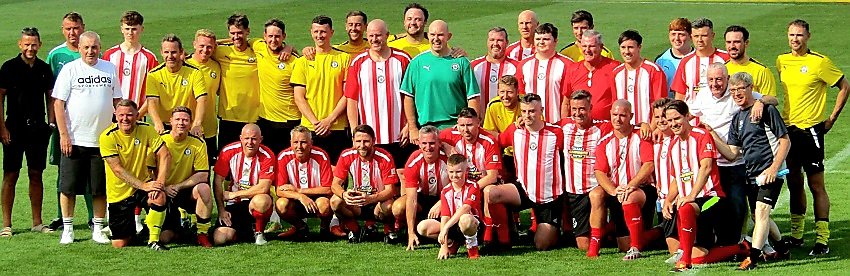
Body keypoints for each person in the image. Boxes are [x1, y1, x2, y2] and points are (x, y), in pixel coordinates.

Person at [777, 19, 849, 255]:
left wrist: (831, 119)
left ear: (808, 37)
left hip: (811, 131)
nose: (794, 39)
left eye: (799, 35)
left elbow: (845, 87)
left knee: (816, 185)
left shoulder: (819, 62)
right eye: (791, 35)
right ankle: (797, 236)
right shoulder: (782, 61)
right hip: (789, 131)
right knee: (794, 182)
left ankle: (822, 239)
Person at [707, 72, 791, 270]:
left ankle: (752, 258)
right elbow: (732, 153)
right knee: (759, 215)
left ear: (751, 88)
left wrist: (774, 168)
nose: (736, 93)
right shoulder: (737, 119)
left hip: (771, 173)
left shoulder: (767, 110)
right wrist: (711, 134)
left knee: (761, 211)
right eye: (733, 90)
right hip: (752, 175)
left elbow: (785, 141)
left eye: (740, 89)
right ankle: (781, 247)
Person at [689, 63, 778, 247]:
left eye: (719, 79)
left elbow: (773, 99)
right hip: (714, 162)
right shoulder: (703, 95)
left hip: (738, 161)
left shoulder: (737, 93)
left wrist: (761, 102)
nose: (715, 84)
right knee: (717, 204)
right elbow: (687, 113)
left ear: (727, 79)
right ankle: (725, 241)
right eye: (711, 80)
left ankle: (750, 242)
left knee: (741, 205)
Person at [52, 31, 121, 245]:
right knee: (68, 187)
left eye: (94, 47)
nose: (90, 51)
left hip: (102, 141)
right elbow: (58, 104)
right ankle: (68, 228)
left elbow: (117, 100)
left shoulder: (109, 68)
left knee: (99, 188)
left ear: (100, 47)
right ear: (79, 48)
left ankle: (98, 227)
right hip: (74, 140)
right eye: (86, 47)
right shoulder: (70, 70)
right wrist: (64, 135)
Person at [662, 100, 735, 272]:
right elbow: (676, 178)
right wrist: (668, 199)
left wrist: (692, 195)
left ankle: (684, 262)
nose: (673, 124)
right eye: (670, 121)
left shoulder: (701, 135)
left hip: (712, 198)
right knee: (699, 258)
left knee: (686, 208)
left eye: (677, 119)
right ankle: (741, 247)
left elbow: (707, 167)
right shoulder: (673, 144)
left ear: (687, 116)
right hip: (691, 204)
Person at [0, 27, 55, 236]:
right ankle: (6, 224)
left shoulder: (43, 68)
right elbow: (0, 98)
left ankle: (37, 222)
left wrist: (50, 124)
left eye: (34, 44)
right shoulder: (8, 68)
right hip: (13, 128)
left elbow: (51, 97)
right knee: (10, 174)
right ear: (20, 44)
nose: (30, 48)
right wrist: (2, 128)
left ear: (39, 45)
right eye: (27, 44)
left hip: (38, 129)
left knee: (36, 174)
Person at [492, 94, 564, 250]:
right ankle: (504, 237)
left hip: (549, 197)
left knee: (541, 244)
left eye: (532, 111)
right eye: (524, 111)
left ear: (541, 111)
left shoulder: (556, 132)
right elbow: (496, 142)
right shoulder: (515, 131)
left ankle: (554, 229)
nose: (527, 116)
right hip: (523, 190)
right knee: (491, 193)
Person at [45, 12, 95, 231]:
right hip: (64, 124)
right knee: (64, 169)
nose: (73, 32)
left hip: (89, 124)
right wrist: (53, 121)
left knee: (93, 171)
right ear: (62, 30)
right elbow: (50, 92)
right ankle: (60, 216)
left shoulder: (94, 53)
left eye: (76, 28)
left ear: (83, 27)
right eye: (68, 28)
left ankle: (94, 216)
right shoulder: (56, 55)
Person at [100, 100, 172, 250]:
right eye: (121, 115)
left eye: (129, 115)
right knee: (119, 244)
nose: (125, 119)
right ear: (115, 116)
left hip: (143, 186)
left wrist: (159, 183)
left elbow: (165, 154)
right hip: (119, 192)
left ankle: (153, 240)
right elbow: (117, 169)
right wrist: (144, 186)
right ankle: (136, 231)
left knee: (159, 197)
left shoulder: (146, 129)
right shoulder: (107, 137)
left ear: (137, 115)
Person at [589, 100, 655, 260]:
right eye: (615, 115)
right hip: (617, 191)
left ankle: (637, 246)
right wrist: (613, 190)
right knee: (596, 194)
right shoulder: (604, 142)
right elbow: (599, 172)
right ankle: (594, 245)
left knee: (629, 198)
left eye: (623, 115)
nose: (618, 119)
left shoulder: (641, 136)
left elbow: (649, 165)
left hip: (641, 190)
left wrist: (630, 186)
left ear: (631, 116)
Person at [345, 19, 413, 169]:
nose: (374, 40)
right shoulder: (358, 62)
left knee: (401, 177)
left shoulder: (403, 59)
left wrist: (410, 126)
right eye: (371, 36)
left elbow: (413, 96)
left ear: (387, 35)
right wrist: (356, 133)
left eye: (378, 35)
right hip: (369, 137)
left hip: (399, 134)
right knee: (374, 179)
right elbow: (352, 100)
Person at [400, 20, 480, 137]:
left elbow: (472, 97)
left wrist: (470, 126)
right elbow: (408, 97)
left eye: (440, 35)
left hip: (455, 128)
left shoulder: (461, 62)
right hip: (426, 130)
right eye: (432, 35)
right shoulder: (416, 63)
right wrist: (412, 128)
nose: (436, 39)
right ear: (428, 36)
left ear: (449, 36)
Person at [291, 15, 352, 163]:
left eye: (323, 32)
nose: (320, 35)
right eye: (316, 32)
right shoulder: (302, 61)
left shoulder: (344, 58)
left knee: (337, 173)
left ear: (331, 32)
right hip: (310, 127)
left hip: (336, 127)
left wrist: (329, 120)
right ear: (311, 32)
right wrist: (316, 123)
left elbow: (347, 94)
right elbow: (299, 97)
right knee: (311, 173)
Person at [439, 108, 503, 245]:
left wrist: (471, 189)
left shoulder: (488, 141)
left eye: (469, 125)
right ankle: (452, 238)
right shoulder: (450, 135)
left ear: (478, 123)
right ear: (457, 125)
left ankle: (489, 235)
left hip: (483, 184)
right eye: (462, 125)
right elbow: (431, 138)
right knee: (424, 228)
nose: (465, 130)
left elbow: (492, 176)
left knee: (488, 191)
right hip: (461, 185)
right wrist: (444, 145)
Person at [558, 90, 611, 252]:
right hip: (575, 192)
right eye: (574, 109)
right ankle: (607, 230)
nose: (577, 113)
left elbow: (624, 125)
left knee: (597, 195)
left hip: (597, 188)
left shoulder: (602, 127)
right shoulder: (564, 127)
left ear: (590, 108)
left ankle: (598, 241)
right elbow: (540, 127)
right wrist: (521, 122)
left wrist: (643, 125)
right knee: (582, 245)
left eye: (582, 109)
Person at [154, 107, 213, 248]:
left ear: (191, 123)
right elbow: (149, 171)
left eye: (185, 120)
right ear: (170, 121)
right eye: (178, 119)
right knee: (165, 238)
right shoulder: (160, 141)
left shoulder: (198, 143)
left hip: (186, 190)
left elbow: (203, 174)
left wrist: (179, 186)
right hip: (164, 191)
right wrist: (163, 186)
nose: (181, 123)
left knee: (204, 188)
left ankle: (202, 234)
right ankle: (179, 229)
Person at [330, 124, 399, 243]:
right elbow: (335, 185)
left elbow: (391, 190)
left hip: (378, 202)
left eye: (366, 141)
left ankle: (389, 230)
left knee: (389, 206)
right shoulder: (346, 155)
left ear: (374, 141)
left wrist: (370, 198)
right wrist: (344, 194)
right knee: (335, 201)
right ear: (353, 141)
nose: (362, 146)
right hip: (357, 203)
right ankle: (355, 230)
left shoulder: (385, 157)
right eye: (358, 141)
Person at [211, 124, 275, 246]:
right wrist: (221, 210)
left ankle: (259, 232)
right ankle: (245, 231)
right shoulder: (228, 151)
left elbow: (263, 187)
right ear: (241, 138)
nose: (250, 142)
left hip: (255, 203)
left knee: (261, 200)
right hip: (234, 204)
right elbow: (217, 181)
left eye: (254, 138)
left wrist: (234, 194)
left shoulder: (267, 155)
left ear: (261, 139)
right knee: (220, 239)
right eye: (247, 138)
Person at [416, 154, 482, 259]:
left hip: (473, 226)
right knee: (422, 227)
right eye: (451, 172)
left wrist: (445, 228)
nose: (454, 175)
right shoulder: (445, 191)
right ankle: (452, 243)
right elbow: (445, 217)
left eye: (458, 172)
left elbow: (466, 208)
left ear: (466, 171)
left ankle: (472, 246)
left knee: (465, 219)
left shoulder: (473, 186)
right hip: (453, 226)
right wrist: (444, 245)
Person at [274, 126, 334, 239]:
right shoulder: (283, 157)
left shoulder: (321, 155)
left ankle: (325, 229)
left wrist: (299, 190)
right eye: (295, 142)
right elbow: (279, 190)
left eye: (303, 142)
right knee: (281, 205)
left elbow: (328, 188)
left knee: (324, 205)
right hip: (295, 199)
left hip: (317, 198)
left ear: (311, 143)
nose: (299, 147)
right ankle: (300, 227)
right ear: (290, 143)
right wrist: (300, 196)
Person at [397, 126, 449, 250]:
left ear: (439, 144)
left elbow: (459, 187)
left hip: (446, 199)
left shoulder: (448, 159)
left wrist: (442, 202)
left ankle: (453, 236)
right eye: (424, 143)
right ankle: (410, 231)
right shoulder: (414, 161)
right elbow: (412, 199)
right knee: (398, 207)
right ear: (419, 144)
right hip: (423, 198)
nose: (428, 147)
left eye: (432, 143)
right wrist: (410, 233)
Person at [253, 18, 301, 154]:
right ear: (264, 37)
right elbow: (237, 39)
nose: (273, 40)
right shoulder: (259, 47)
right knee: (266, 162)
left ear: (284, 37)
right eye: (270, 36)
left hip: (289, 121)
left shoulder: (294, 61)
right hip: (265, 120)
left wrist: (290, 48)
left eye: (277, 36)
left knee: (288, 163)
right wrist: (214, 43)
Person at [214, 14, 260, 150]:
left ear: (248, 31)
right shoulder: (221, 51)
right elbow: (207, 44)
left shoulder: (257, 51)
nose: (236, 36)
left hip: (253, 118)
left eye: (240, 33)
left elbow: (275, 46)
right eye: (232, 33)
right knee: (225, 164)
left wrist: (288, 48)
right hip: (228, 117)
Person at [146, 34, 208, 135]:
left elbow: (202, 99)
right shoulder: (154, 75)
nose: (170, 56)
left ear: (181, 52)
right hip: (165, 125)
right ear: (161, 52)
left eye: (174, 52)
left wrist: (197, 123)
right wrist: (157, 123)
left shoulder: (195, 72)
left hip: (187, 125)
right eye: (166, 52)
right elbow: (152, 101)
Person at [514, 23, 573, 123]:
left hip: (557, 123)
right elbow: (521, 96)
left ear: (555, 41)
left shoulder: (568, 65)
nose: (541, 42)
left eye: (546, 39)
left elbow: (569, 99)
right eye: (538, 39)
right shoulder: (524, 65)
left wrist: (565, 123)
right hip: (531, 124)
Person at [612, 30, 667, 137]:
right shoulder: (616, 73)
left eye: (631, 47)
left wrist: (652, 129)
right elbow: (615, 104)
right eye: (623, 47)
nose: (626, 51)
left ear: (639, 47)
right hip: (624, 133)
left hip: (648, 132)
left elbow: (661, 104)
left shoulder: (653, 70)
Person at [102, 11, 158, 116]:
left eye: (134, 29)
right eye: (127, 29)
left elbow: (154, 92)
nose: (130, 33)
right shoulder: (109, 55)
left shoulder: (149, 58)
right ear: (121, 29)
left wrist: (138, 115)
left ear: (141, 29)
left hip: (138, 116)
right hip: (111, 116)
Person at [649, 98, 682, 262]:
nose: (661, 120)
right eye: (657, 117)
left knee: (687, 251)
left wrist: (672, 197)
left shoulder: (681, 139)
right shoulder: (655, 142)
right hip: (663, 202)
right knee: (672, 249)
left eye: (664, 116)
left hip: (679, 200)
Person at [564, 30, 619, 122]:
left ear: (601, 47)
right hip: (579, 127)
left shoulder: (614, 68)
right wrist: (565, 124)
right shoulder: (573, 69)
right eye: (584, 46)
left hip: (606, 127)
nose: (587, 50)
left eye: (592, 46)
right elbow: (566, 102)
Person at [671, 17, 730, 104]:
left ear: (712, 36)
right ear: (691, 37)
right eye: (696, 36)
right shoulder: (685, 61)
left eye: (704, 36)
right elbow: (680, 96)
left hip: (721, 115)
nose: (700, 40)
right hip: (693, 116)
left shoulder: (726, 58)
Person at [185, 29, 222, 164]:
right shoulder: (183, 64)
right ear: (194, 44)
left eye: (209, 47)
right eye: (201, 46)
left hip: (209, 129)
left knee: (206, 171)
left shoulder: (217, 66)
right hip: (186, 127)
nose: (205, 50)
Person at [470, 27, 518, 113]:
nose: (495, 43)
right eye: (492, 40)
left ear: (507, 43)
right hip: (481, 122)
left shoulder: (516, 66)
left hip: (508, 121)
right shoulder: (474, 66)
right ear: (487, 42)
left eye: (500, 40)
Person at [724, 25, 776, 97]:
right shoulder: (723, 70)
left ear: (746, 43)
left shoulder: (761, 71)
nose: (732, 46)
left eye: (737, 42)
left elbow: (770, 100)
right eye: (728, 42)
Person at [655, 18, 693, 98]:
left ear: (690, 36)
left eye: (681, 34)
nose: (677, 38)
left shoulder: (698, 58)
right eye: (673, 34)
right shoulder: (660, 60)